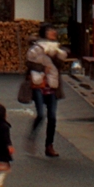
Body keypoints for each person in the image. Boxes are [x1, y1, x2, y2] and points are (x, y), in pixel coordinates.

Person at [25, 24, 68, 157]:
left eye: (53, 30)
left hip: (52, 84)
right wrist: (43, 68)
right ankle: (32, 137)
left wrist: (56, 55)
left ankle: (49, 145)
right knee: (41, 114)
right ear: (44, 32)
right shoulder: (36, 47)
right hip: (39, 83)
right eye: (50, 30)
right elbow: (29, 63)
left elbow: (60, 65)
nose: (53, 32)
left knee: (52, 117)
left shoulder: (57, 48)